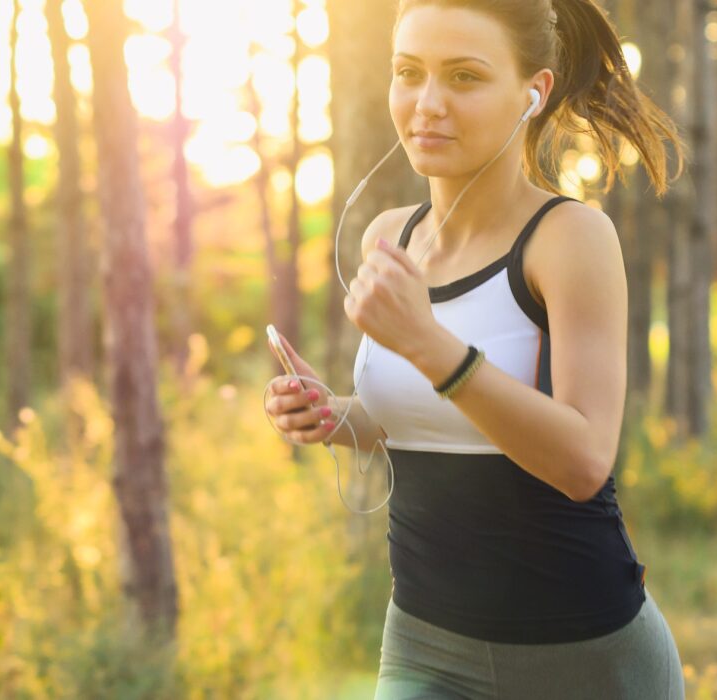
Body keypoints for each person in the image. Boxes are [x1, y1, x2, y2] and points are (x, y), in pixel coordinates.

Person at [264, 0, 686, 697]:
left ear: (534, 92)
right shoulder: (388, 238)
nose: (427, 104)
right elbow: (431, 420)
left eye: (464, 77)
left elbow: (583, 461)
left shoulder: (569, 238)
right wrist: (335, 416)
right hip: (425, 648)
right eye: (409, 73)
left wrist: (430, 346)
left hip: (587, 659)